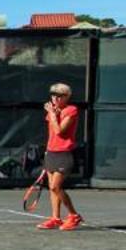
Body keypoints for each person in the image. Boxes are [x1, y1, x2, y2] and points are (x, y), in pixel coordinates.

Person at [37, 82, 82, 231]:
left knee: (56, 187)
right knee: (51, 188)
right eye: (53, 95)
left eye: (59, 95)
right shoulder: (53, 111)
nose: (55, 98)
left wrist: (53, 115)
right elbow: (51, 134)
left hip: (64, 153)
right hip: (51, 153)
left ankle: (74, 215)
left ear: (66, 97)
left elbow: (59, 131)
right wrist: (46, 153)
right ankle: (55, 218)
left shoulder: (72, 110)